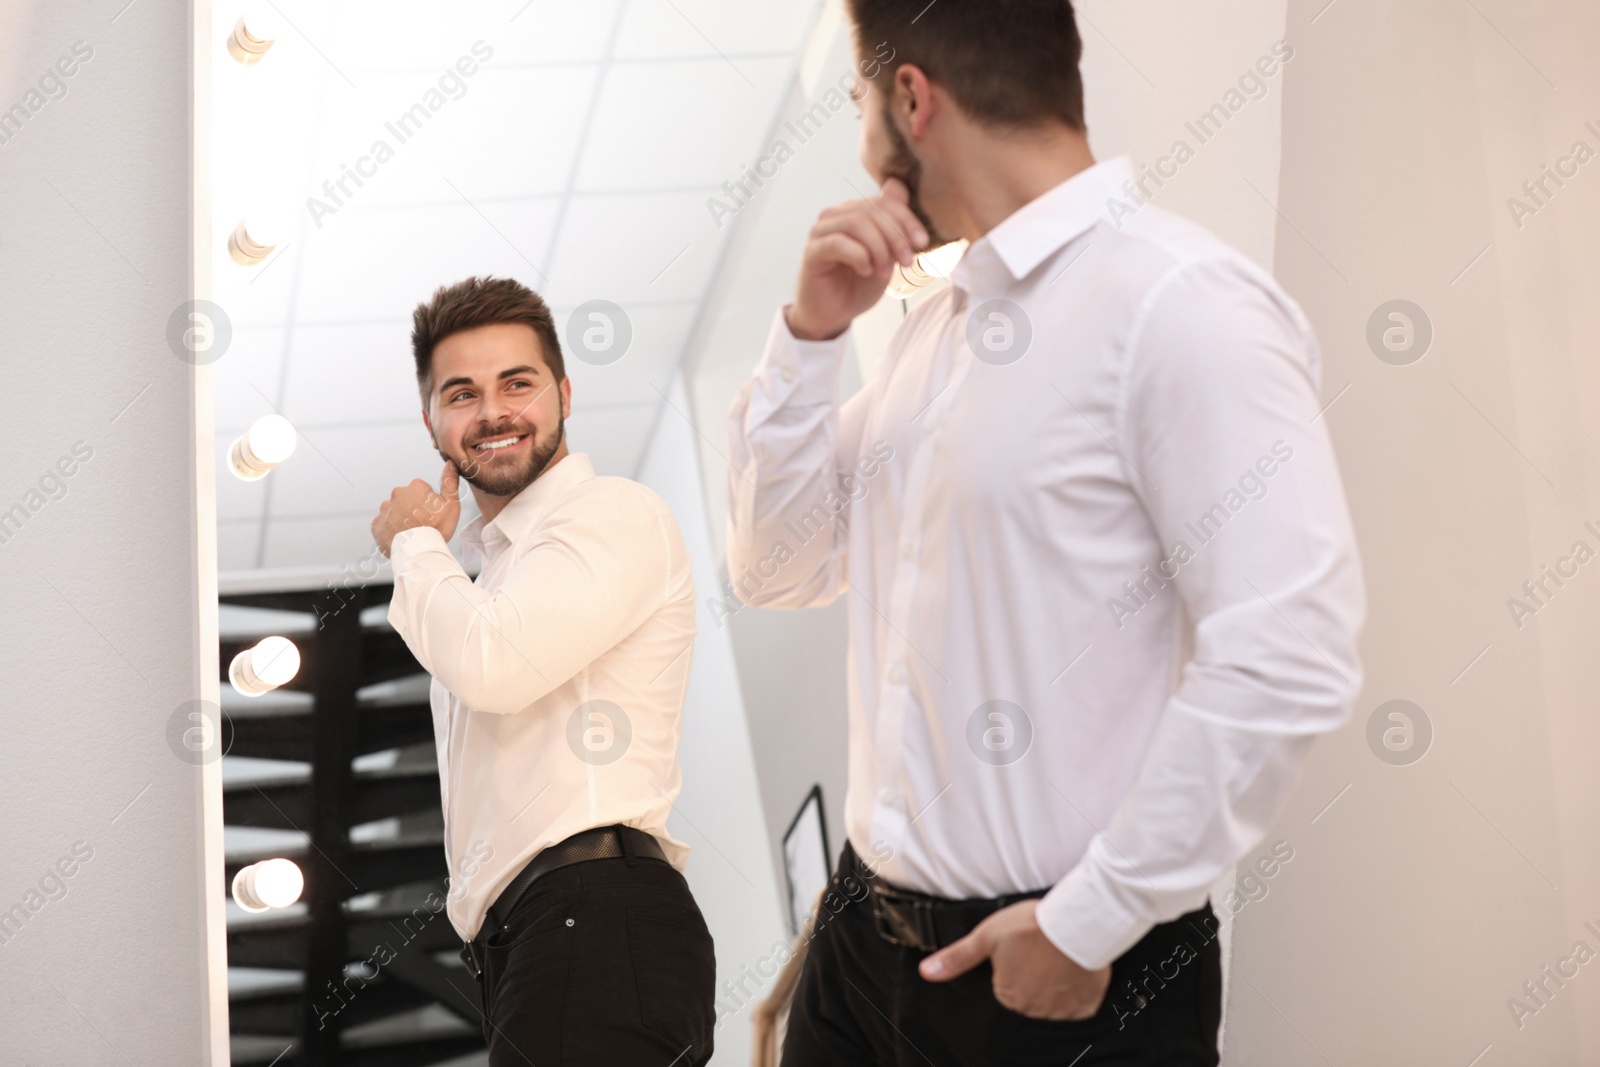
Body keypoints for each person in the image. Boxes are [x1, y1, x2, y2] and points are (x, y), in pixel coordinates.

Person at [724, 2, 1366, 1063]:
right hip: (857, 946)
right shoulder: (929, 329)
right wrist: (809, 337)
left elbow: (1286, 650)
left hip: (1050, 978)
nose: (861, 139)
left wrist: (1089, 918)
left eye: (856, 105)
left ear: (910, 98)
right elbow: (774, 566)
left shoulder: (1177, 302)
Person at [373, 275, 715, 1065]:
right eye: (462, 394)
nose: (492, 412)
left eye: (517, 383)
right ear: (432, 422)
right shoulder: (486, 583)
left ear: (563, 392)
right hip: (538, 940)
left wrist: (413, 542)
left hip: (592, 914)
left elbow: (494, 667)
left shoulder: (607, 514)